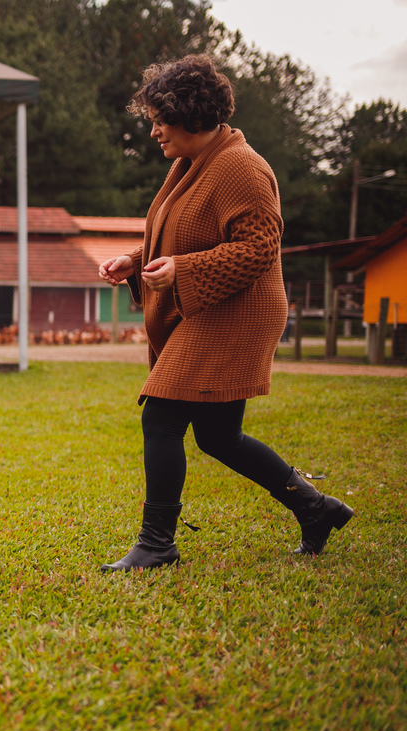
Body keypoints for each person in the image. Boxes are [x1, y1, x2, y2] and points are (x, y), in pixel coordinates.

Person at [96, 54, 353, 572]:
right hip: (210, 305)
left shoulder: (243, 168)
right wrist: (136, 260)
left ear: (192, 116)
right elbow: (186, 237)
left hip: (236, 311)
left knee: (162, 417)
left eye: (160, 120)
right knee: (218, 436)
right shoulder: (190, 165)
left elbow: (260, 248)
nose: (154, 132)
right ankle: (316, 508)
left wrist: (183, 273)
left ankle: (157, 542)